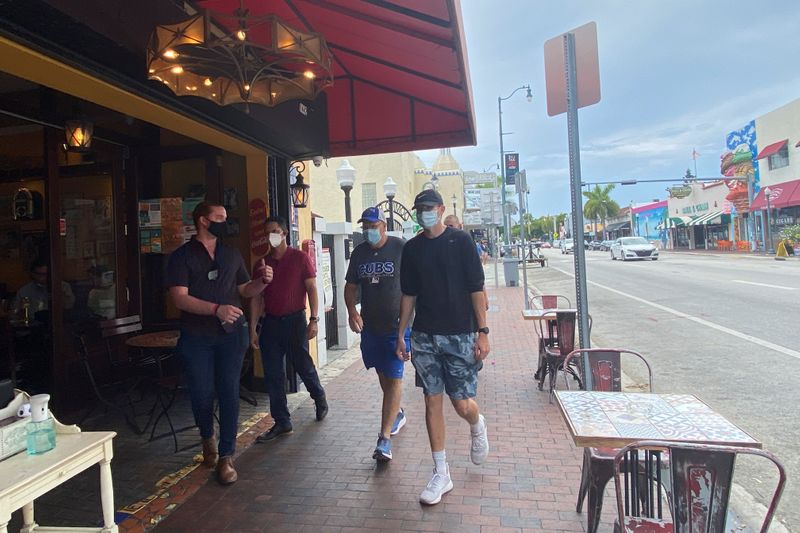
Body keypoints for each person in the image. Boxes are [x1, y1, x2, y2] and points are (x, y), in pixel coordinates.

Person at [166, 202, 272, 485]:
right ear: (203, 220)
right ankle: (206, 437)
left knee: (228, 392)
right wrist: (216, 309)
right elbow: (179, 297)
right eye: (219, 218)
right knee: (201, 392)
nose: (225, 222)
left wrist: (262, 281)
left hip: (230, 336)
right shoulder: (181, 256)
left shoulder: (232, 254)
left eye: (226, 217)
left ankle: (226, 456)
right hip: (196, 336)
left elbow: (244, 290)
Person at [396, 189, 490, 505]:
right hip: (424, 336)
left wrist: (483, 332)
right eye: (418, 209)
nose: (423, 213)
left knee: (461, 404)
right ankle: (441, 472)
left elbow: (477, 289)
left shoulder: (460, 242)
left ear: (439, 209)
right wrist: (402, 334)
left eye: (427, 208)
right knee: (431, 400)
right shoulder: (412, 249)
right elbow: (408, 295)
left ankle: (477, 424)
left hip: (461, 334)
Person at [251, 216, 328, 443]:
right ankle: (282, 421)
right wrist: (253, 328)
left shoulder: (300, 259)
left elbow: (312, 288)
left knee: (302, 364)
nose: (271, 236)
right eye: (267, 232)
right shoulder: (262, 264)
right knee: (274, 374)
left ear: (284, 233)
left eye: (275, 231)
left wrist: (314, 319)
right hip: (271, 323)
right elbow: (256, 297)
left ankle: (318, 395)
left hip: (295, 321)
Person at [344, 207, 409, 462]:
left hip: (397, 327)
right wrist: (351, 311)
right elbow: (350, 287)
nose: (369, 230)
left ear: (383, 225)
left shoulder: (400, 248)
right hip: (371, 327)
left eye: (373, 225)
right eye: (365, 226)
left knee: (394, 377)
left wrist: (407, 327)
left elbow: (412, 287)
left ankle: (384, 439)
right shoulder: (359, 253)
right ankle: (397, 413)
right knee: (383, 374)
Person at [444, 214, 488, 311]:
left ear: (459, 226)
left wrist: (484, 296)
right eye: (445, 226)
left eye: (451, 226)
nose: (448, 229)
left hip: (466, 295)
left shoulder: (466, 242)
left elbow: (477, 276)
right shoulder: (442, 244)